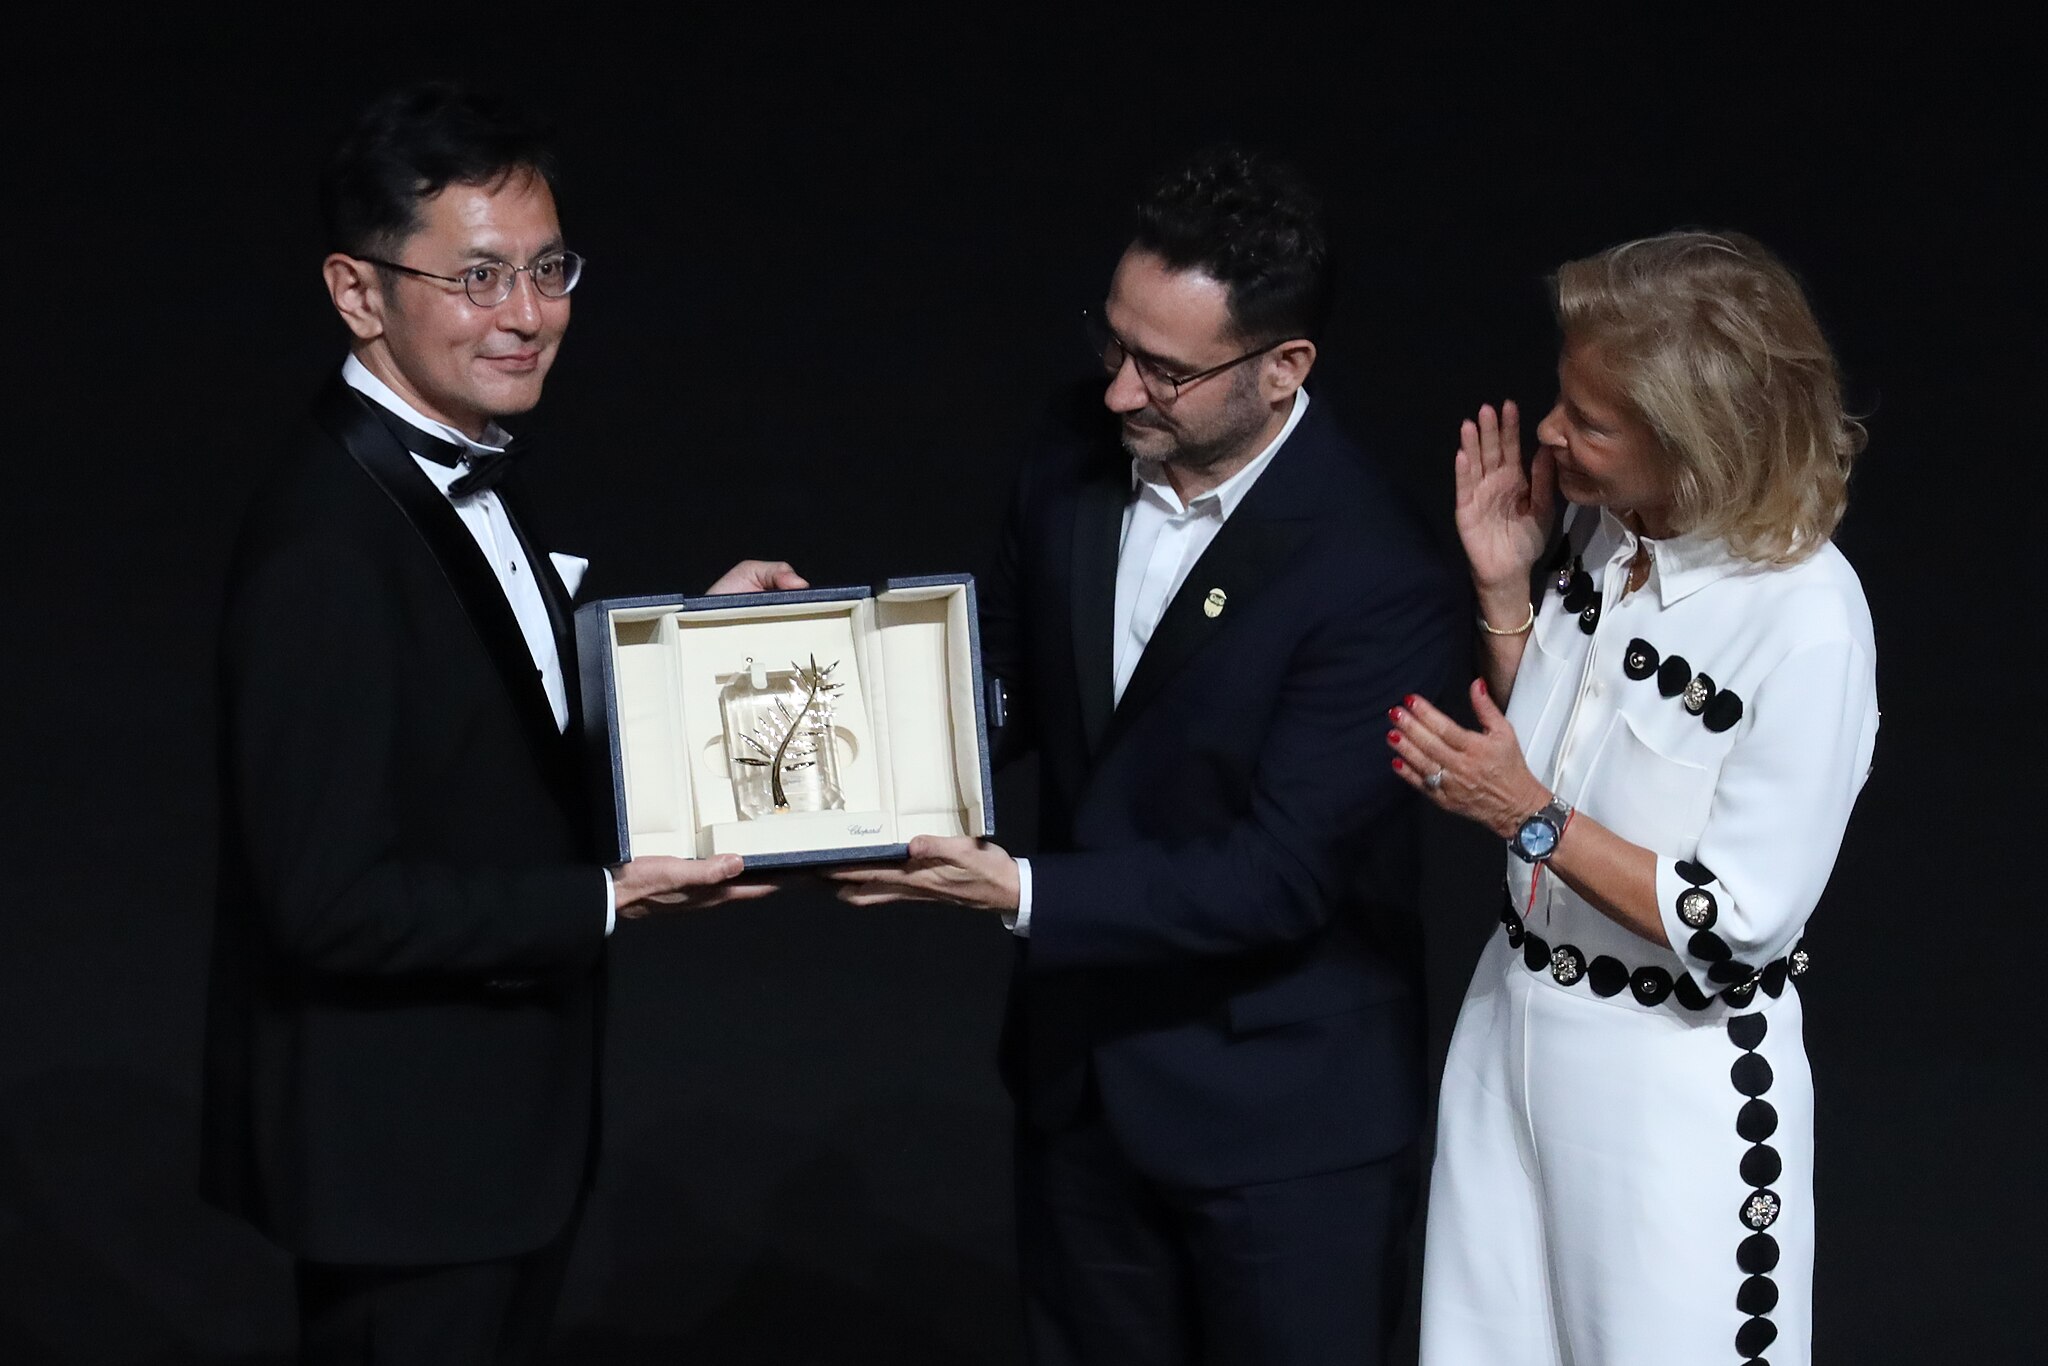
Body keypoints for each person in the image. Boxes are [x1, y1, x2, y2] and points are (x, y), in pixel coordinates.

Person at [202, 82, 799, 1365]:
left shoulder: (455, 458)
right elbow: (327, 901)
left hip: (483, 1152)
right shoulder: (324, 544)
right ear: (360, 294)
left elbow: (485, 698)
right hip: (404, 1169)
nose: (528, 316)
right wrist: (608, 899)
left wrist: (689, 636)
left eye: (546, 269)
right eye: (478, 279)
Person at [834, 147, 1459, 1364]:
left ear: (1284, 369)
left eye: (1163, 370)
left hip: (1282, 1143)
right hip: (1080, 1097)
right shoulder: (1071, 453)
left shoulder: (1375, 579)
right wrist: (820, 681)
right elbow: (1002, 683)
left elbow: (1275, 876)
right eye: (1109, 344)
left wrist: (1018, 888)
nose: (1118, 392)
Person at [1396, 231, 1877, 1366]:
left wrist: (1526, 815)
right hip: (1510, 1028)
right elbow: (1568, 750)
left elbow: (1736, 920)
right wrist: (1504, 588)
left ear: (1700, 444)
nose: (1551, 434)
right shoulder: (1609, 536)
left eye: (1590, 423)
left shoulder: (1804, 621)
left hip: (1664, 1082)